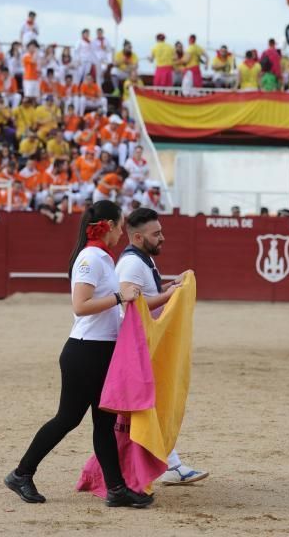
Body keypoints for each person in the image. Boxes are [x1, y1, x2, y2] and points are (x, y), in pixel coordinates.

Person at [5, 201, 153, 508]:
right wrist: (118, 297)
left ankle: (115, 488)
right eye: (120, 225)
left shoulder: (102, 258)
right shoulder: (91, 258)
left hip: (100, 350)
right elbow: (80, 305)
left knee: (103, 422)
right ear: (109, 226)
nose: (122, 231)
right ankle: (21, 473)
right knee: (68, 418)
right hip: (85, 351)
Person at [116, 208, 208, 485]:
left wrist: (167, 289)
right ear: (138, 237)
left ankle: (160, 464)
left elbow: (145, 298)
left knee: (142, 409)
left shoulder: (141, 260)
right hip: (136, 346)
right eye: (156, 234)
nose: (162, 238)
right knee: (148, 406)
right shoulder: (132, 264)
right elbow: (128, 303)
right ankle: (170, 464)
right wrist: (170, 295)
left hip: (143, 343)